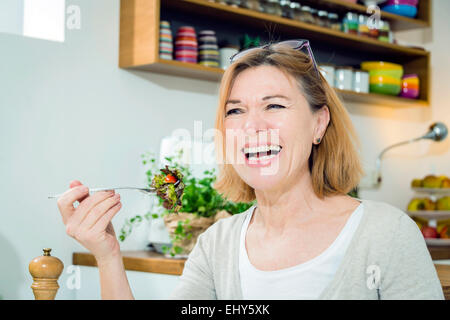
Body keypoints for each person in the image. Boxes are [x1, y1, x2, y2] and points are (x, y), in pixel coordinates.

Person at [56, 40, 444, 300]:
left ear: (318, 124)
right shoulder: (216, 246)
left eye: (274, 106)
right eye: (235, 111)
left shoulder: (386, 234)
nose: (250, 127)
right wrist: (108, 256)